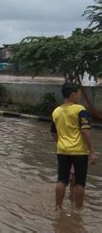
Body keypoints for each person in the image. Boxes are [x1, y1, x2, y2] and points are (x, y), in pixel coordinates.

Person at [51, 82, 97, 210]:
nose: (79, 97)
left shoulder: (56, 111)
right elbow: (85, 131)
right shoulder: (80, 110)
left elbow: (53, 133)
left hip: (62, 151)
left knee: (61, 180)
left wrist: (61, 143)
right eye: (78, 94)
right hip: (79, 152)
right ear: (72, 95)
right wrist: (92, 151)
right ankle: (78, 211)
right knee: (80, 183)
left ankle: (58, 207)